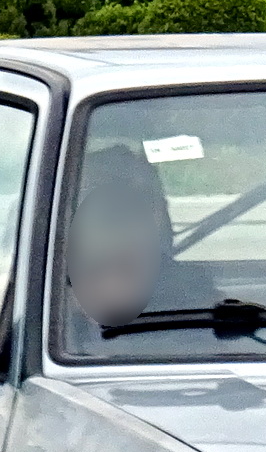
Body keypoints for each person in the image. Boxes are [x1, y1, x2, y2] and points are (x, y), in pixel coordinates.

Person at [64, 146, 215, 349]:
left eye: (127, 208)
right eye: (105, 211)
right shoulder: (44, 300)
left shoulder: (198, 302)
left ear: (159, 214)